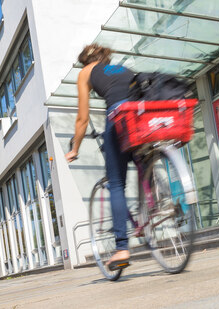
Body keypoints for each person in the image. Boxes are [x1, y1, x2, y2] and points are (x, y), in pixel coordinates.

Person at [65, 43, 135, 270]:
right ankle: (156, 200)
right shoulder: (120, 69)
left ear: (85, 61)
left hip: (119, 114)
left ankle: (122, 248)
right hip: (141, 112)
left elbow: (82, 119)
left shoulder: (85, 72)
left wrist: (75, 148)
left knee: (116, 184)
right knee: (142, 156)